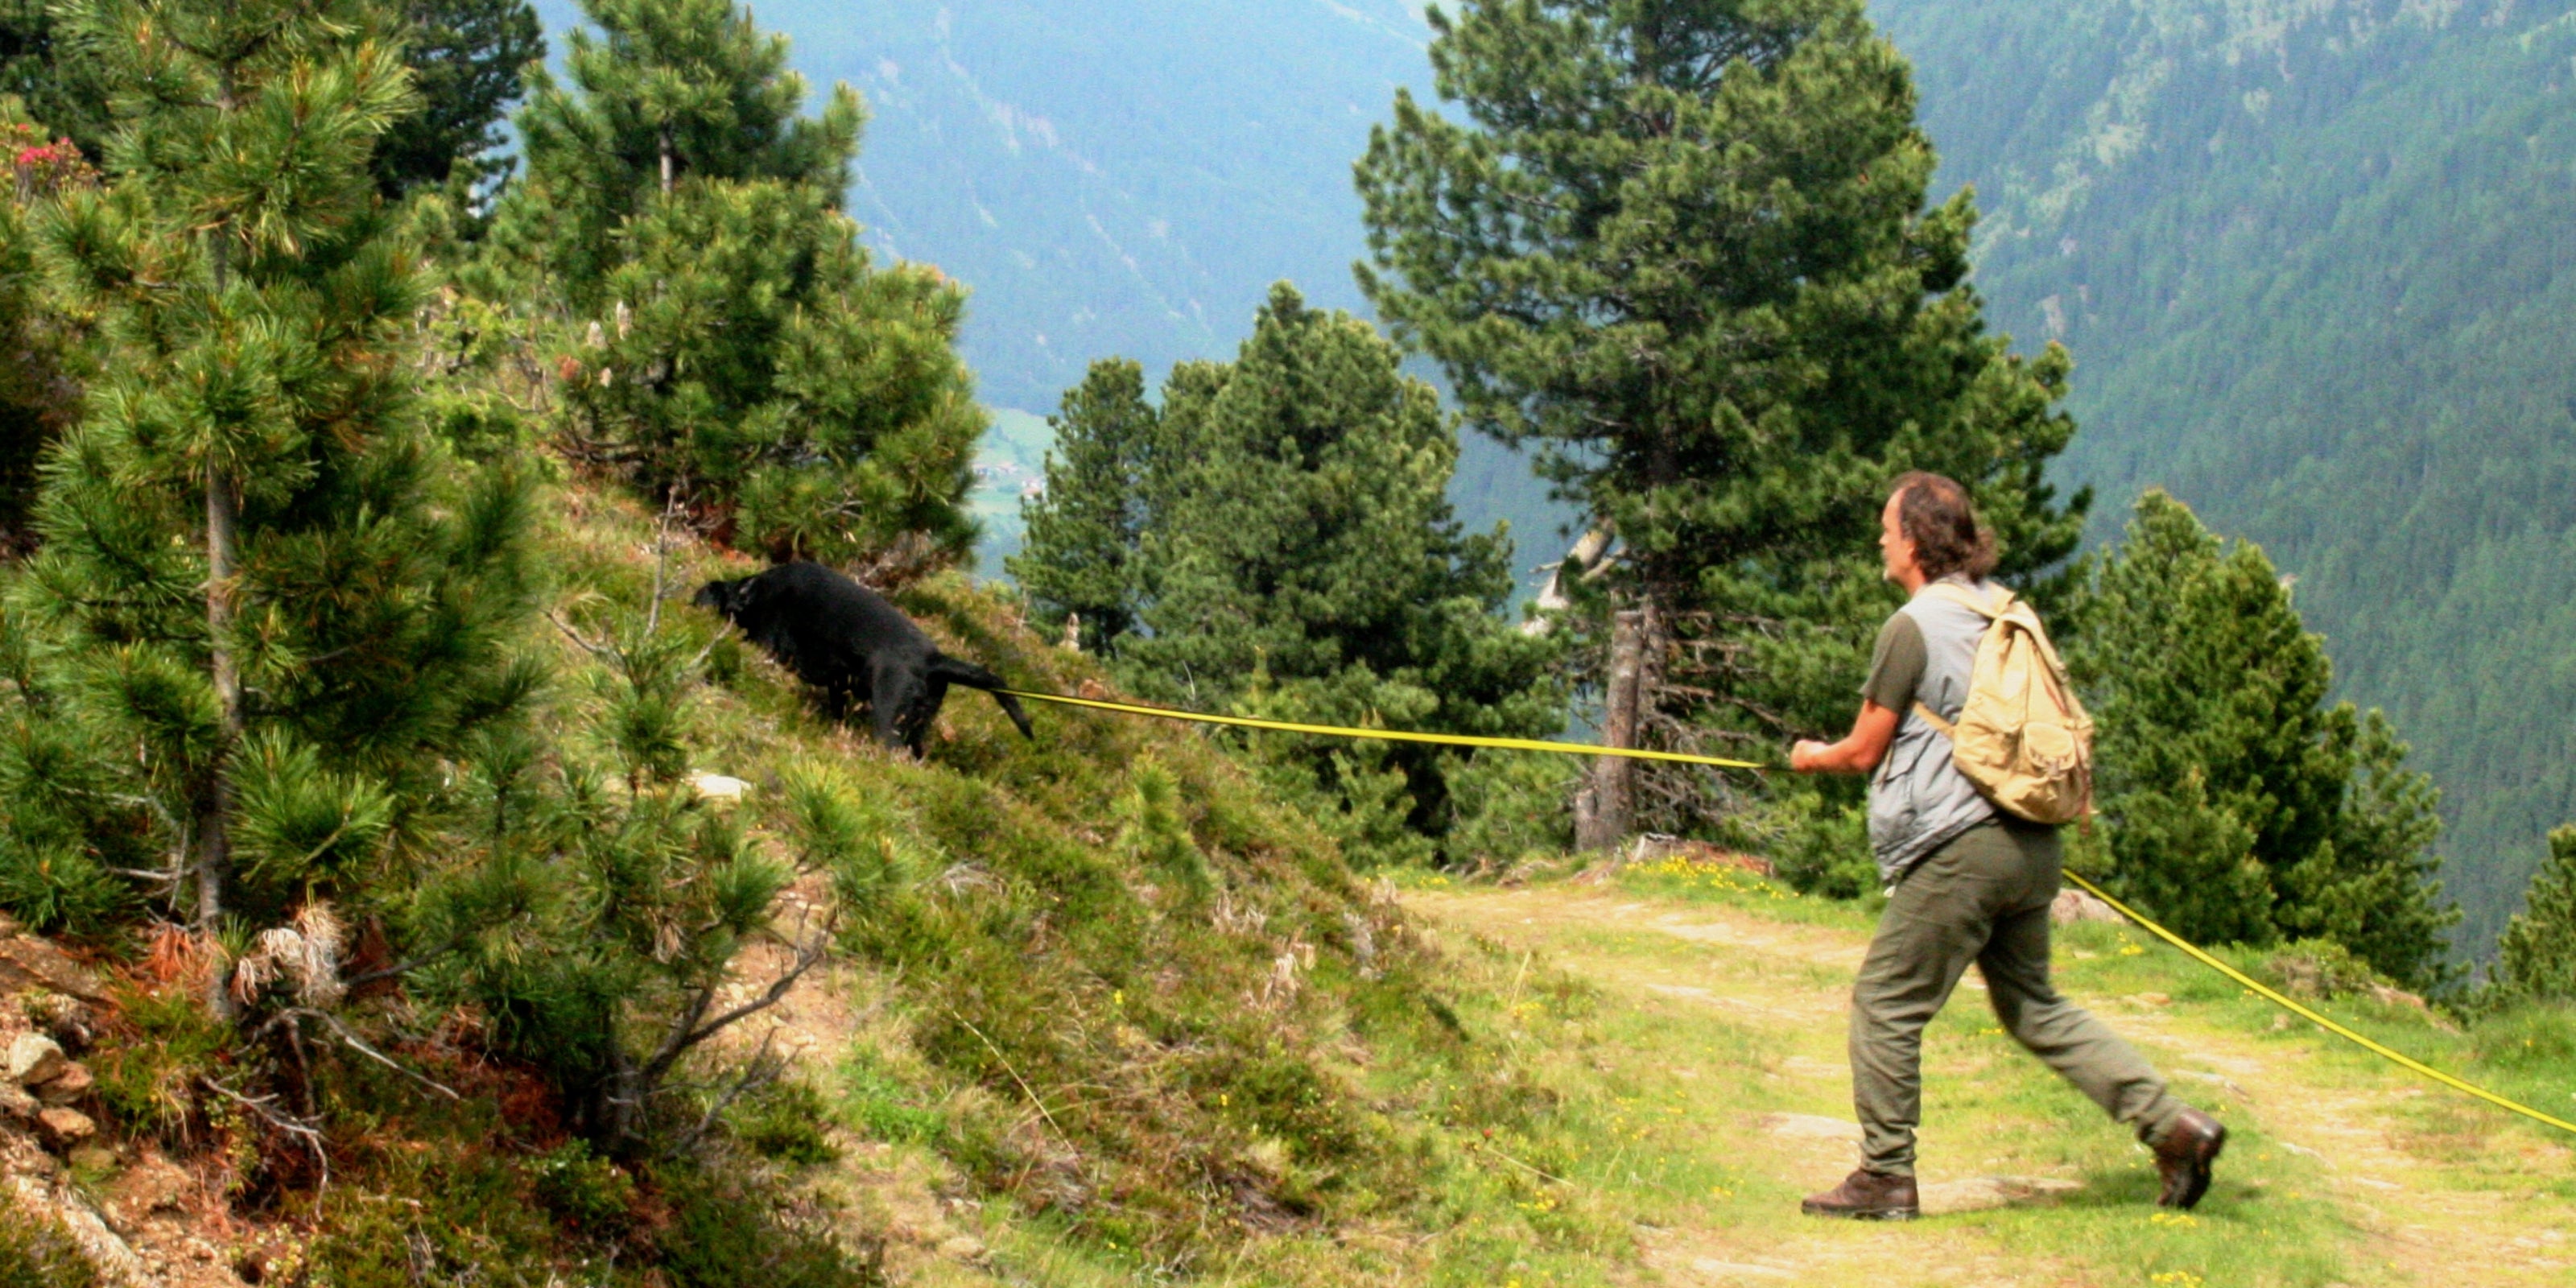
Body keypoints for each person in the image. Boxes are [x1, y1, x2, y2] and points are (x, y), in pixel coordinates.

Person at [1786, 472, 2225, 1220]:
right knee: (2033, 1007)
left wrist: (1807, 755)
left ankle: (1886, 1175)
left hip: (1961, 847)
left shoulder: (1912, 626)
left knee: (1885, 1001)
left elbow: (1863, 750)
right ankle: (2172, 1127)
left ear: (1917, 541)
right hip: (2032, 842)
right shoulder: (2005, 610)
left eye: (1889, 528)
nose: (1881, 541)